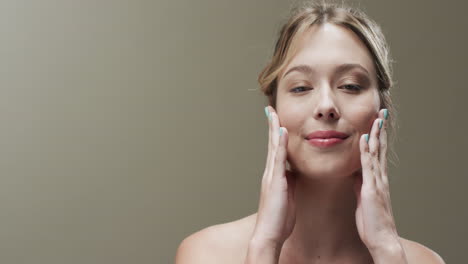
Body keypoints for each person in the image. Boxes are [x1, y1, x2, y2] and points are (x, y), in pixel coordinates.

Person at [175, 1, 446, 263]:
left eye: (350, 85)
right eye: (301, 87)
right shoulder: (206, 255)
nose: (326, 106)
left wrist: (387, 250)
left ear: (381, 111)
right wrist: (264, 246)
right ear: (274, 111)